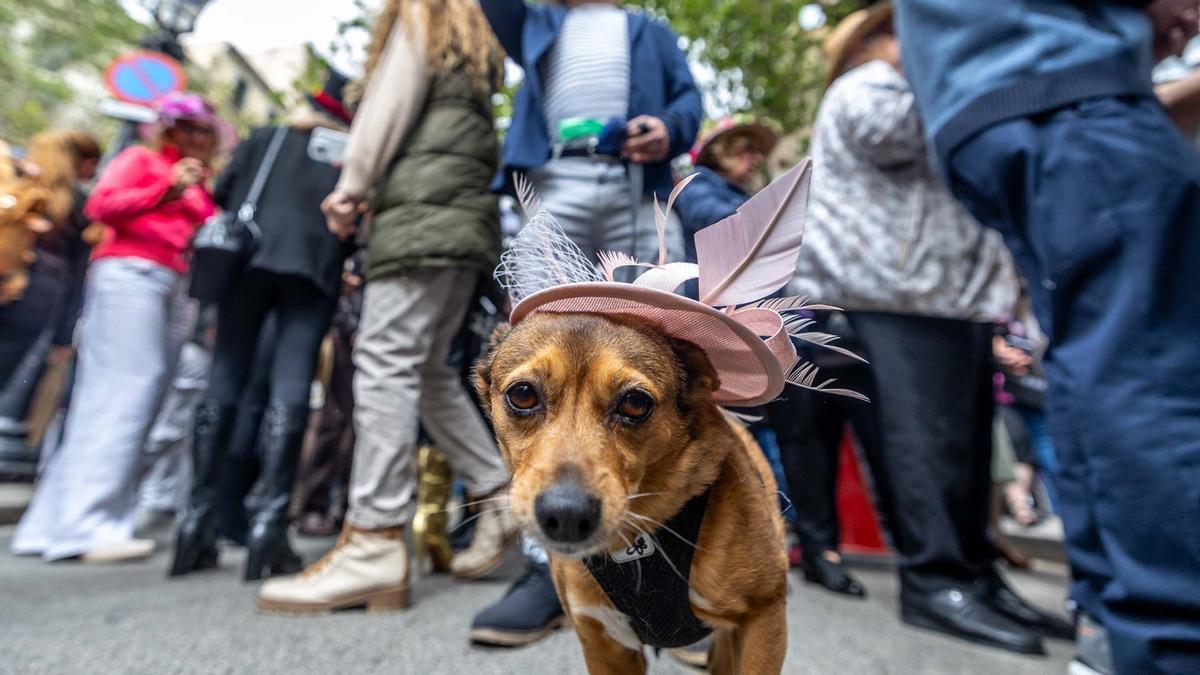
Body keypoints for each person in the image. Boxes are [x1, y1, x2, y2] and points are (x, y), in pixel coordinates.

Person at [893, 1, 1200, 672]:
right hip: (1055, 79)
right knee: (1148, 372)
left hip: (990, 96)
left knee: (1100, 368)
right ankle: (1167, 637)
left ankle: (1114, 622)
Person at [789, 3, 1074, 655]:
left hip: (943, 295)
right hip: (895, 291)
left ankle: (974, 571)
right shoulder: (865, 88)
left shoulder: (912, 85)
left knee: (963, 445)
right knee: (925, 446)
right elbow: (902, 132)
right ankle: (936, 578)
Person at [256, 0, 515, 613]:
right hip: (461, 227)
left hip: (421, 218)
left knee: (384, 358)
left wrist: (351, 186)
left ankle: (373, 537)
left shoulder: (419, 18)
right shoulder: (475, 58)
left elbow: (386, 108)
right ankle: (500, 495)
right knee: (426, 370)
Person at [469, 0, 704, 646]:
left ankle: (672, 575)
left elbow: (689, 103)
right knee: (539, 355)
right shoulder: (537, 21)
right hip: (552, 181)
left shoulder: (651, 29)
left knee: (658, 353)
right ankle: (554, 573)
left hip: (639, 185)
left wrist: (669, 127)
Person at [12, 93, 228, 563]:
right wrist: (166, 189)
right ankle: (88, 527)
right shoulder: (143, 161)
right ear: (171, 130)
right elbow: (102, 207)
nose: (198, 139)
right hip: (132, 273)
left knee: (133, 396)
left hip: (173, 283)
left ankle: (53, 525)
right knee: (127, 389)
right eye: (189, 129)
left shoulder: (200, 184)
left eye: (206, 131)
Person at [169, 73, 352, 581]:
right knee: (291, 389)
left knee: (222, 381)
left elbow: (225, 192)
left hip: (246, 263)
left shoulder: (265, 137)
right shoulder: (347, 148)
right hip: (312, 270)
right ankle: (268, 526)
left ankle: (194, 521)